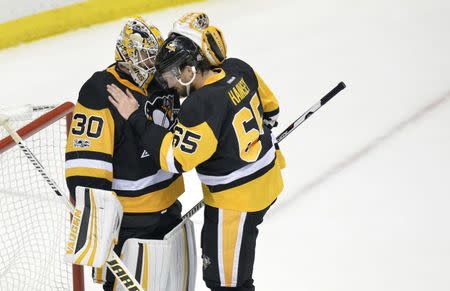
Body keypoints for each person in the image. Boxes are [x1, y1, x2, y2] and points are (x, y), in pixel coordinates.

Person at [107, 13, 285, 291]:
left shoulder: (200, 104)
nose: (168, 83)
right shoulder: (238, 68)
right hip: (269, 179)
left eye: (171, 74)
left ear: (189, 68)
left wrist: (136, 118)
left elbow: (176, 159)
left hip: (237, 202)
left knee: (227, 283)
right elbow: (271, 111)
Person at [65, 16, 185, 290]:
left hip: (169, 211)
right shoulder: (100, 92)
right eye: (144, 57)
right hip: (130, 224)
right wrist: (100, 232)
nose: (151, 64)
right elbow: (85, 171)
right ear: (127, 53)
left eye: (154, 58)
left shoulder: (162, 83)